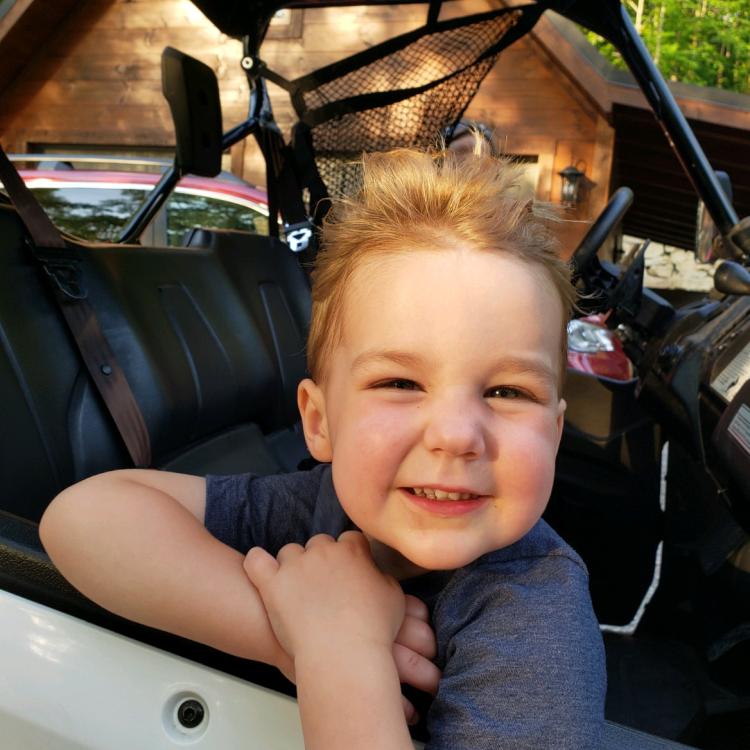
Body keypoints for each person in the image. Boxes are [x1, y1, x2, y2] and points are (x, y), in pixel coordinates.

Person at [40, 137, 606, 749]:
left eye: (506, 392)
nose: (455, 435)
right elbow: (84, 518)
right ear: (320, 422)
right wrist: (298, 631)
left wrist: (339, 655)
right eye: (400, 382)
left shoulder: (536, 618)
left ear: (553, 433)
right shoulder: (315, 508)